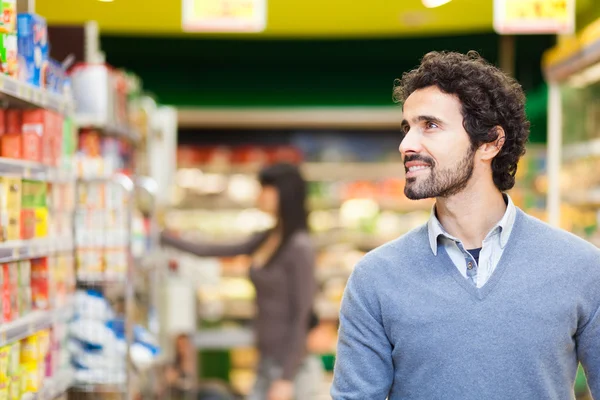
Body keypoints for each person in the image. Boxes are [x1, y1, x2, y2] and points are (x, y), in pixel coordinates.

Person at [331, 51, 600, 399]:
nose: (406, 145)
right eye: (407, 127)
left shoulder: (580, 267)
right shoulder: (375, 278)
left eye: (430, 125)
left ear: (490, 143)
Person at [161, 163, 322, 400]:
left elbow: (303, 316)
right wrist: (164, 238)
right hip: (266, 362)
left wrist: (286, 379)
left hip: (291, 370)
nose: (260, 195)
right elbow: (213, 249)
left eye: (266, 188)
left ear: (285, 193)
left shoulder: (299, 247)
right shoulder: (268, 237)